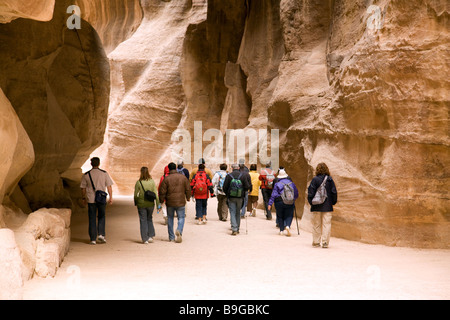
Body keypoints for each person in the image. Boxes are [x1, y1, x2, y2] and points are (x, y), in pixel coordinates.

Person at [80, 157, 114, 245]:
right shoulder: (104, 173)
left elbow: (83, 188)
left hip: (91, 200)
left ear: (91, 164)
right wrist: (110, 197)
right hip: (101, 199)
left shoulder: (86, 175)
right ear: (99, 164)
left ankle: (92, 239)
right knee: (102, 216)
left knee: (92, 218)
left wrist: (83, 198)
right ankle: (101, 235)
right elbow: (109, 186)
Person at [159, 162, 191, 243]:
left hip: (170, 202)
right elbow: (188, 188)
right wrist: (188, 197)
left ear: (169, 169)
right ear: (176, 168)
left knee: (170, 218)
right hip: (180, 201)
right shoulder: (183, 177)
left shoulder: (166, 179)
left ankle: (171, 237)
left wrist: (161, 201)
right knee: (181, 218)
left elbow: (162, 191)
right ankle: (179, 230)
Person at [307, 162, 338, 248]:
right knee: (326, 225)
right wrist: (333, 202)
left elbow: (310, 193)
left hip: (316, 206)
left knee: (316, 224)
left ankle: (316, 242)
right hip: (327, 206)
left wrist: (311, 202)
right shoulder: (330, 180)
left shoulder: (315, 179)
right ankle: (325, 243)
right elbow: (334, 192)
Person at [267, 168, 299, 237]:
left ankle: (281, 230)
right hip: (289, 201)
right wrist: (294, 199)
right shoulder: (291, 183)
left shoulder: (277, 184)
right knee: (289, 215)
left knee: (280, 215)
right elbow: (296, 193)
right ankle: (287, 225)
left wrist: (270, 203)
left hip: (279, 202)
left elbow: (274, 194)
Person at [223, 163, 252, 235]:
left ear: (232, 168)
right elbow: (247, 186)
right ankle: (238, 228)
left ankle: (234, 229)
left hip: (231, 197)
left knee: (232, 212)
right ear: (238, 168)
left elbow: (224, 187)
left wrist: (228, 194)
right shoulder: (242, 175)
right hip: (240, 197)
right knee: (238, 212)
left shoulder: (229, 176)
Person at [134, 167, 161, 244]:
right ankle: (151, 235)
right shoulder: (152, 181)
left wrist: (136, 202)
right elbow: (156, 193)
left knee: (143, 220)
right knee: (149, 218)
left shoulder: (138, 182)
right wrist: (158, 205)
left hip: (141, 204)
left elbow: (136, 194)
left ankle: (144, 239)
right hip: (150, 203)